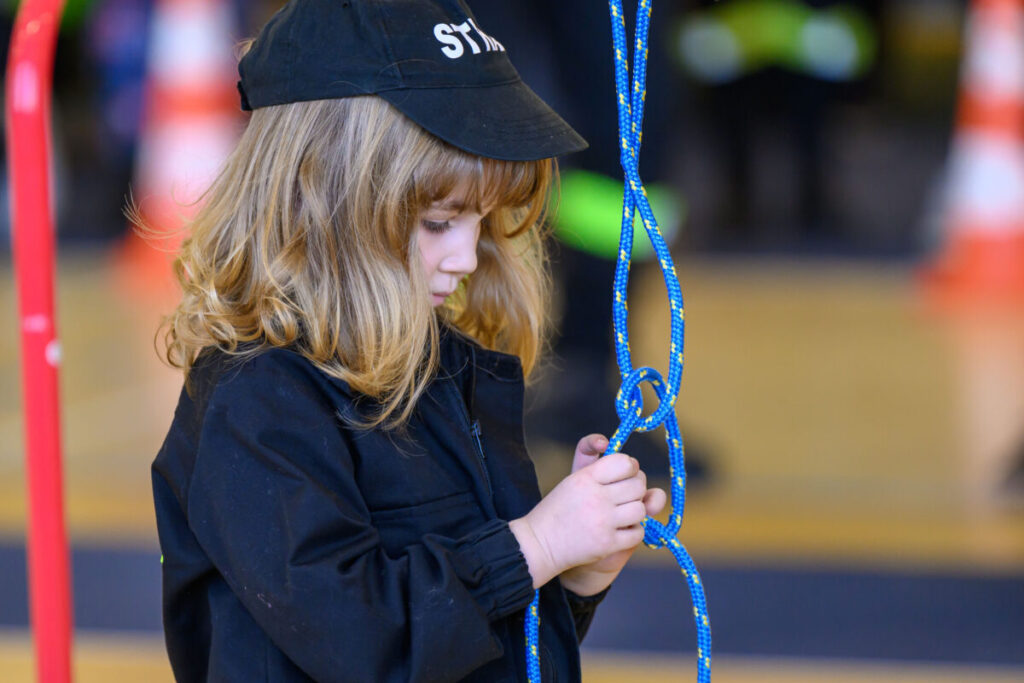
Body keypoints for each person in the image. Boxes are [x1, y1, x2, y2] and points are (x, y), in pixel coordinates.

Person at [148, 1, 667, 681]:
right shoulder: (257, 402)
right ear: (325, 201)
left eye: (480, 220)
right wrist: (535, 544)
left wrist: (572, 579)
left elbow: (468, 641)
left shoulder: (440, 370)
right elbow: (361, 640)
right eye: (438, 221)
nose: (467, 254)